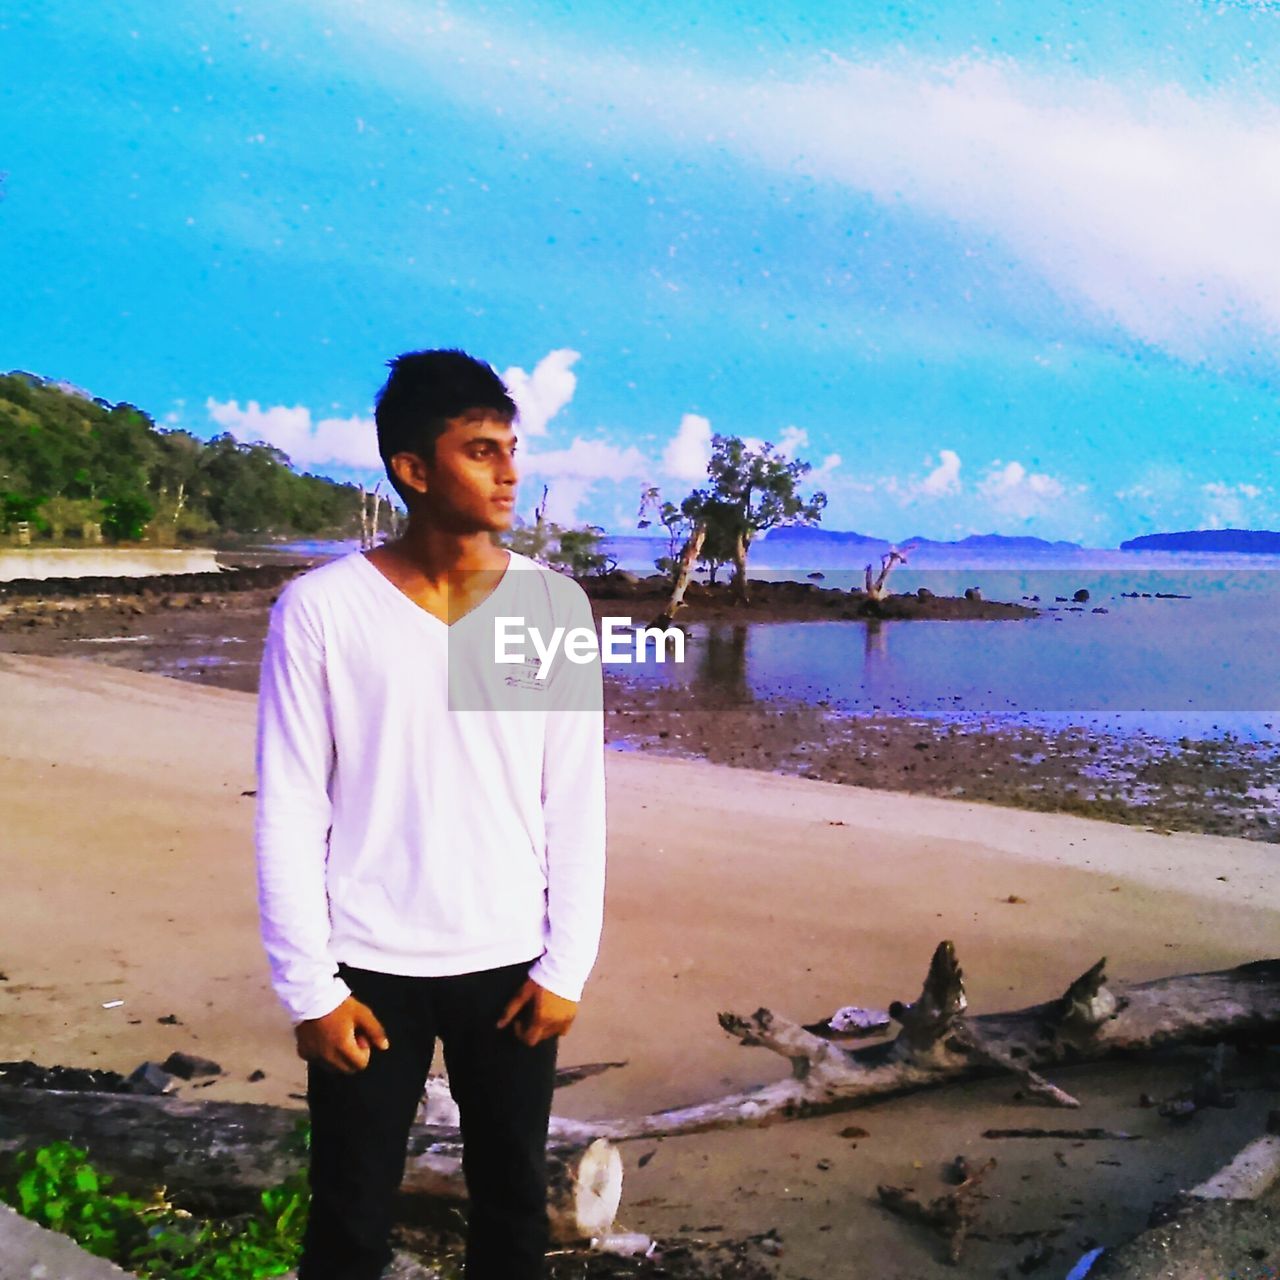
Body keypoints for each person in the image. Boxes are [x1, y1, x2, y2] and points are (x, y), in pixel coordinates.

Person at [254, 348, 607, 1280]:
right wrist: (309, 990)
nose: (510, 471)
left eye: (512, 448)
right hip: (367, 971)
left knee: (511, 1218)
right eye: (482, 450)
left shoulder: (553, 606)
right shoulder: (321, 611)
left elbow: (574, 799)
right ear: (413, 469)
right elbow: (289, 807)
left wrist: (567, 962)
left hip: (509, 966)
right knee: (348, 1221)